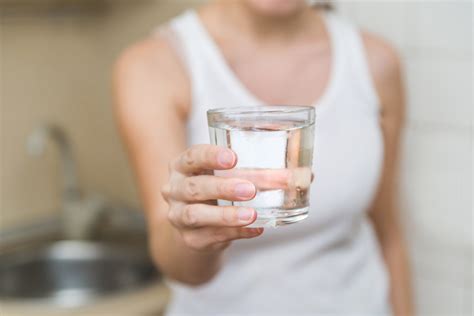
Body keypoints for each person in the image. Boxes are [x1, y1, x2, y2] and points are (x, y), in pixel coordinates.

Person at [113, 0, 413, 315]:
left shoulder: (375, 62)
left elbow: (388, 234)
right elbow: (178, 267)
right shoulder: (153, 65)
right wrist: (197, 230)